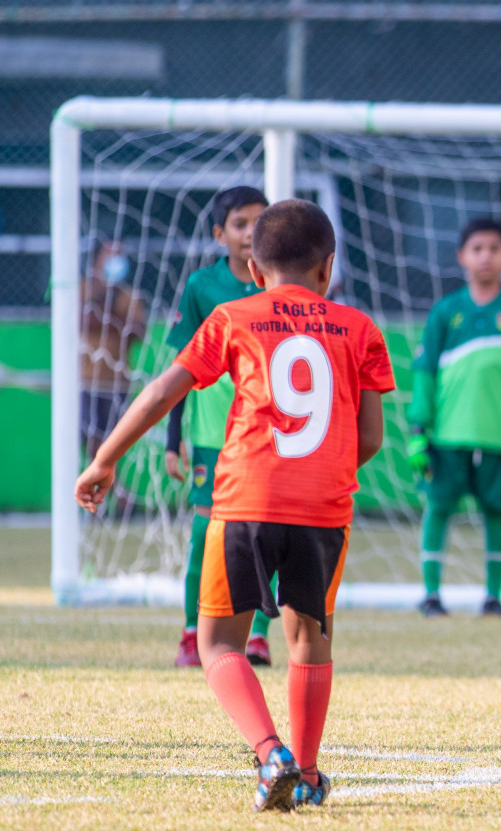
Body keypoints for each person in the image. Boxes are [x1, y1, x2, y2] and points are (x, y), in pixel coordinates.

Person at [74, 200, 395, 812]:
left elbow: (166, 388)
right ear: (328, 269)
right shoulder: (360, 329)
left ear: (253, 269)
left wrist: (104, 458)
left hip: (246, 497)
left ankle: (269, 751)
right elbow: (372, 436)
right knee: (310, 639)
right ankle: (304, 772)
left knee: (219, 641)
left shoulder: (233, 315)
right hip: (324, 507)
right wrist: (322, 473)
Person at [407, 218, 501, 618]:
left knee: (496, 512)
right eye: (477, 248)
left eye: (494, 248)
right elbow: (425, 372)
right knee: (438, 509)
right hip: (447, 438)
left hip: (500, 438)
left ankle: (494, 597)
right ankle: (431, 594)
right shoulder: (445, 312)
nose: (486, 256)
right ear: (462, 256)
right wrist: (418, 431)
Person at [163, 186, 272, 667]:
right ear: (219, 233)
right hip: (211, 438)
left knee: (267, 537)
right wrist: (173, 440)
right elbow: (179, 370)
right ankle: (192, 632)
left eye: (260, 222)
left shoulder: (282, 286)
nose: (251, 232)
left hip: (268, 437)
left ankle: (258, 636)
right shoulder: (202, 287)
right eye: (240, 223)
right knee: (207, 536)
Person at [80, 239, 147, 468]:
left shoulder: (129, 296)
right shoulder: (80, 289)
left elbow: (137, 332)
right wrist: (110, 309)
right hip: (84, 380)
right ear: (96, 260)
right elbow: (82, 321)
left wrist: (108, 315)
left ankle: (110, 485)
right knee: (87, 434)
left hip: (117, 381)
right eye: (110, 255)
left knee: (114, 438)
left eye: (120, 255)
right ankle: (112, 486)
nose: (115, 261)